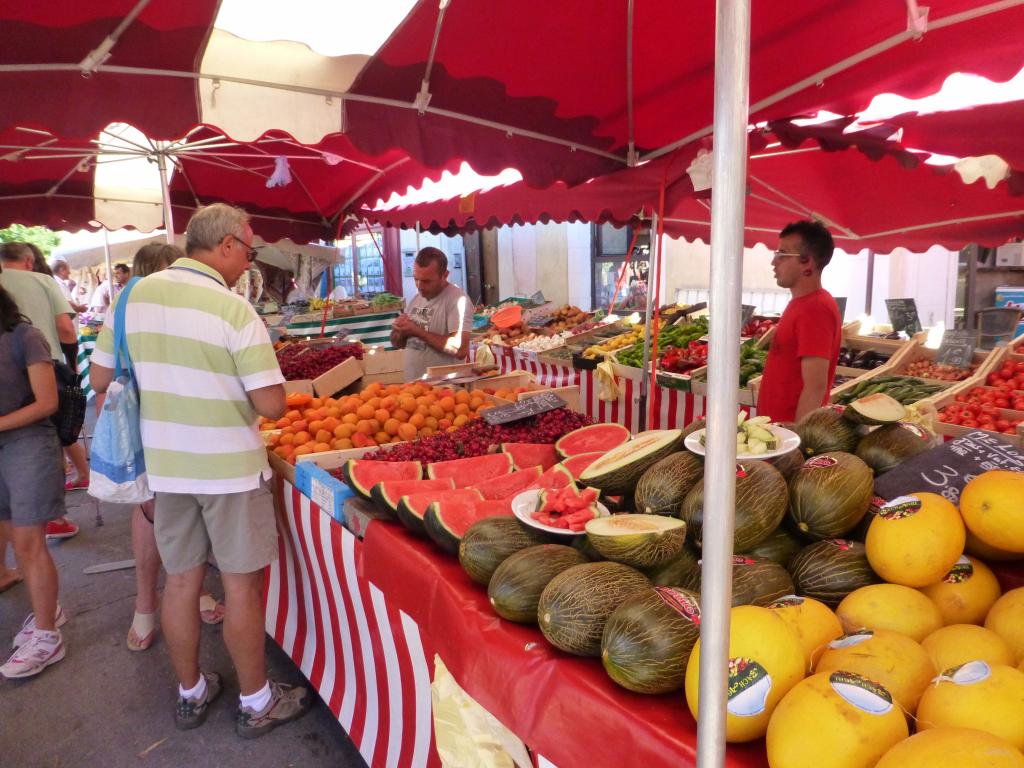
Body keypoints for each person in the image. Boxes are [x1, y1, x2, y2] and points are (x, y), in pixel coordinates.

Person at [90, 203, 311, 737]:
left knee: (182, 583)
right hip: (231, 470)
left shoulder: (132, 297)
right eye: (250, 250)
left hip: (166, 469)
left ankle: (191, 692)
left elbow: (100, 379)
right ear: (228, 245)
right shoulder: (232, 308)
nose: (249, 261)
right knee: (239, 587)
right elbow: (272, 405)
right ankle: (257, 700)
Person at [116, 242, 225, 652]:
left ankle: (189, 593)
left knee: (181, 516)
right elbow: (104, 370)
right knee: (150, 511)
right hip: (151, 422)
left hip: (188, 425)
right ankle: (146, 604)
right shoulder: (134, 300)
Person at [0, 266, 67, 679]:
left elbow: (47, 402)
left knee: (28, 540)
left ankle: (47, 634)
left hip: (28, 445)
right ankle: (47, 612)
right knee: (11, 531)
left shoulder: (24, 337)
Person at [0, 243, 84, 536]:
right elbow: (65, 328)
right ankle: (53, 517)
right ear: (28, 260)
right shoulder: (42, 280)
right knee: (49, 436)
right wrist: (72, 364)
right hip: (44, 364)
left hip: (5, 373)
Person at [756, 220, 843, 423]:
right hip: (776, 431)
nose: (774, 262)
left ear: (807, 262)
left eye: (782, 254)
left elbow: (815, 387)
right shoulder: (800, 304)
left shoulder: (816, 308)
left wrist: (797, 442)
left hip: (787, 439)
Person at [390, 247, 473, 380]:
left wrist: (417, 331)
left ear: (445, 275)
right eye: (416, 279)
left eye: (427, 281)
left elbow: (460, 350)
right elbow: (397, 344)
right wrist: (399, 331)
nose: (419, 286)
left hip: (443, 390)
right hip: (413, 387)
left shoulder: (457, 300)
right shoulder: (416, 299)